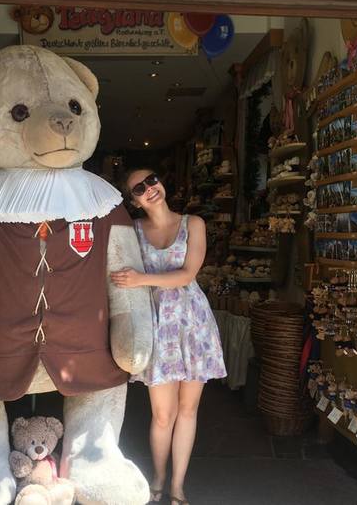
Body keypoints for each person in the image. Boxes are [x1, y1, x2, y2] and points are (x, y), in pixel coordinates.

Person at [111, 169, 226, 505]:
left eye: (152, 180)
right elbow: (117, 269)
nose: (150, 188)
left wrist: (141, 279)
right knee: (163, 415)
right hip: (158, 325)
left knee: (188, 410)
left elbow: (188, 274)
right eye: (139, 188)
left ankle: (177, 486)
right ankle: (159, 477)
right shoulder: (132, 231)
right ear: (133, 200)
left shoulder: (193, 224)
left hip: (193, 325)